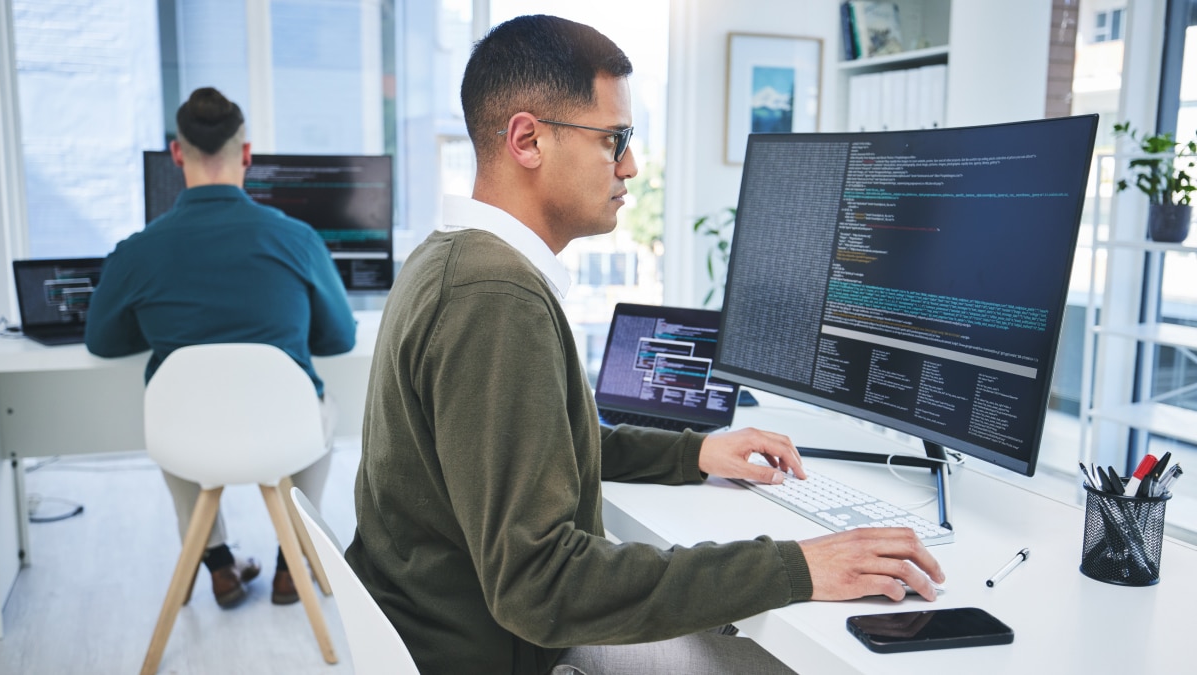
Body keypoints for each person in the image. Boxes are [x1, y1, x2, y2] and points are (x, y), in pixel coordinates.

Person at [346, 15, 945, 675]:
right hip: (499, 651)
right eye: (614, 139)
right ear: (527, 139)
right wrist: (795, 564)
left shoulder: (449, 258)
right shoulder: (496, 298)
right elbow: (541, 584)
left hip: (443, 630)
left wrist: (695, 451)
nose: (630, 165)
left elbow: (534, 445)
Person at [85, 87, 356, 609]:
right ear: (247, 155)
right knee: (321, 408)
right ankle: (288, 561)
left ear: (177, 154)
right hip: (285, 434)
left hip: (187, 440)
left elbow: (102, 341)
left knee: (172, 408)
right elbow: (339, 338)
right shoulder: (297, 240)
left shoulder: (137, 252)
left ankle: (218, 566)